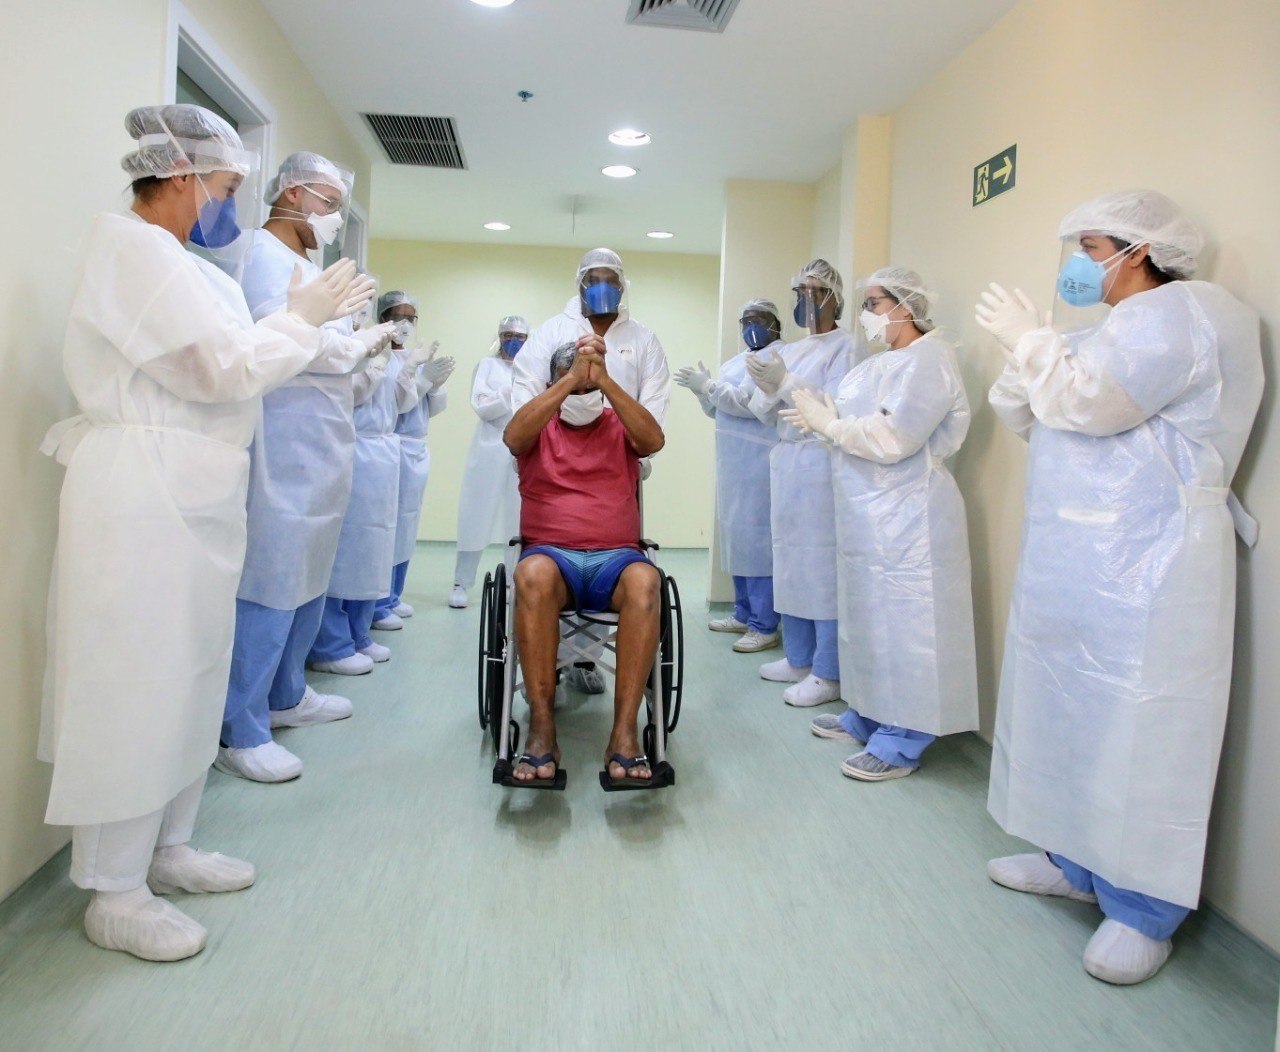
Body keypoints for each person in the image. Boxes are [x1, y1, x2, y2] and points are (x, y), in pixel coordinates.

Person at [38, 105, 373, 961]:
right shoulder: (133, 251)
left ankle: (170, 846)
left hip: (193, 492)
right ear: (182, 176)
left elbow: (234, 359)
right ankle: (113, 891)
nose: (229, 204)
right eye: (224, 187)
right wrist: (301, 319)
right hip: (142, 491)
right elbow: (222, 370)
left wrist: (299, 324)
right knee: (134, 677)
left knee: (188, 669)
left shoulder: (189, 267)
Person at [976, 190, 1263, 985]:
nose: (1078, 260)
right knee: (1069, 707)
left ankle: (1144, 908)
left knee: (1146, 730)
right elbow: (1032, 413)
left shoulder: (1188, 314)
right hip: (1080, 557)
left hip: (1157, 561)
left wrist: (1038, 344)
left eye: (1090, 243)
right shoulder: (1108, 326)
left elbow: (1089, 406)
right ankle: (1074, 861)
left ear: (1139, 249)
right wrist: (1030, 352)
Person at [217, 151, 394, 783]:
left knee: (311, 566)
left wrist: (357, 350)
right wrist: (350, 345)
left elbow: (330, 349)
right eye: (326, 199)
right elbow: (279, 335)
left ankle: (288, 693)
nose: (332, 215)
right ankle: (242, 725)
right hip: (284, 433)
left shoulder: (307, 264)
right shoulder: (261, 255)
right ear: (290, 193)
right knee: (273, 570)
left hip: (325, 436)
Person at [782, 268, 979, 782]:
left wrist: (833, 425)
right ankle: (867, 714)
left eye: (874, 302)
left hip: (911, 517)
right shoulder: (881, 364)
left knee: (908, 629)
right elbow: (852, 427)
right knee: (868, 620)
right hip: (868, 515)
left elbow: (895, 438)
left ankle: (903, 739)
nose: (865, 314)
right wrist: (827, 421)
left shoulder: (931, 359)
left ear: (906, 304)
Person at [503, 339, 665, 784]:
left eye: (586, 385)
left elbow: (653, 441)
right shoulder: (538, 427)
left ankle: (624, 734)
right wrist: (572, 379)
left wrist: (604, 380)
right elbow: (512, 437)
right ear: (553, 382)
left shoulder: (619, 425)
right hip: (552, 558)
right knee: (530, 575)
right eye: (572, 382)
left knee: (646, 582)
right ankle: (541, 729)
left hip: (615, 559)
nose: (580, 395)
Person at [512, 248, 670, 694]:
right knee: (544, 562)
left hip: (621, 456)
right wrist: (567, 387)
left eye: (612, 279)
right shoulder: (550, 334)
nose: (604, 287)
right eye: (594, 279)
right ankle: (548, 664)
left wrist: (611, 399)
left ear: (623, 285)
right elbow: (521, 413)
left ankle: (583, 658)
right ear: (579, 284)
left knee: (616, 556)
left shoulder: (642, 338)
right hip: (550, 456)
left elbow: (653, 425)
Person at [308, 292, 442, 672]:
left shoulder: (376, 350)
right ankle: (333, 643)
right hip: (361, 450)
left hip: (384, 452)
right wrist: (376, 362)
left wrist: (411, 374)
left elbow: (397, 404)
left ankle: (357, 632)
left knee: (375, 546)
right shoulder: (349, 349)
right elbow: (353, 394)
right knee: (349, 549)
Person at [745, 259, 857, 707]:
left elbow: (836, 405)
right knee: (789, 559)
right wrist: (768, 382)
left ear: (834, 297)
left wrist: (786, 382)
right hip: (787, 460)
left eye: (813, 291)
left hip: (819, 460)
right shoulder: (789, 349)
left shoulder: (846, 347)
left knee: (819, 565)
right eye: (798, 292)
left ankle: (827, 671)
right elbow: (760, 408)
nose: (804, 301)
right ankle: (799, 657)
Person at [675, 299, 782, 653]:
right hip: (734, 463)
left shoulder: (779, 359)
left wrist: (709, 387)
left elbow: (748, 404)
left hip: (761, 460)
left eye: (760, 319)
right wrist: (701, 392)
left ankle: (764, 625)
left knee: (759, 543)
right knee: (737, 540)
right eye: (746, 320)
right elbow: (719, 407)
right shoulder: (737, 362)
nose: (752, 326)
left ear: (775, 323)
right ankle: (742, 613)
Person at [371, 296, 454, 628]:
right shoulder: (380, 356)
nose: (405, 324)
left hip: (417, 448)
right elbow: (398, 406)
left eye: (411, 318)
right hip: (393, 445)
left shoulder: (417, 357)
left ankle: (393, 595)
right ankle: (377, 600)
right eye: (397, 317)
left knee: (407, 525)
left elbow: (431, 409)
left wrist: (435, 385)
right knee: (386, 525)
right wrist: (420, 381)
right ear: (383, 318)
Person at [448, 315, 527, 610]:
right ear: (499, 336)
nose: (514, 341)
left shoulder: (531, 370)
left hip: (522, 449)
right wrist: (508, 392)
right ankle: (461, 583)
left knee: (517, 518)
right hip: (489, 447)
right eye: (509, 335)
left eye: (520, 336)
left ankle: (512, 582)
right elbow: (482, 407)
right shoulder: (487, 366)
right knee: (475, 514)